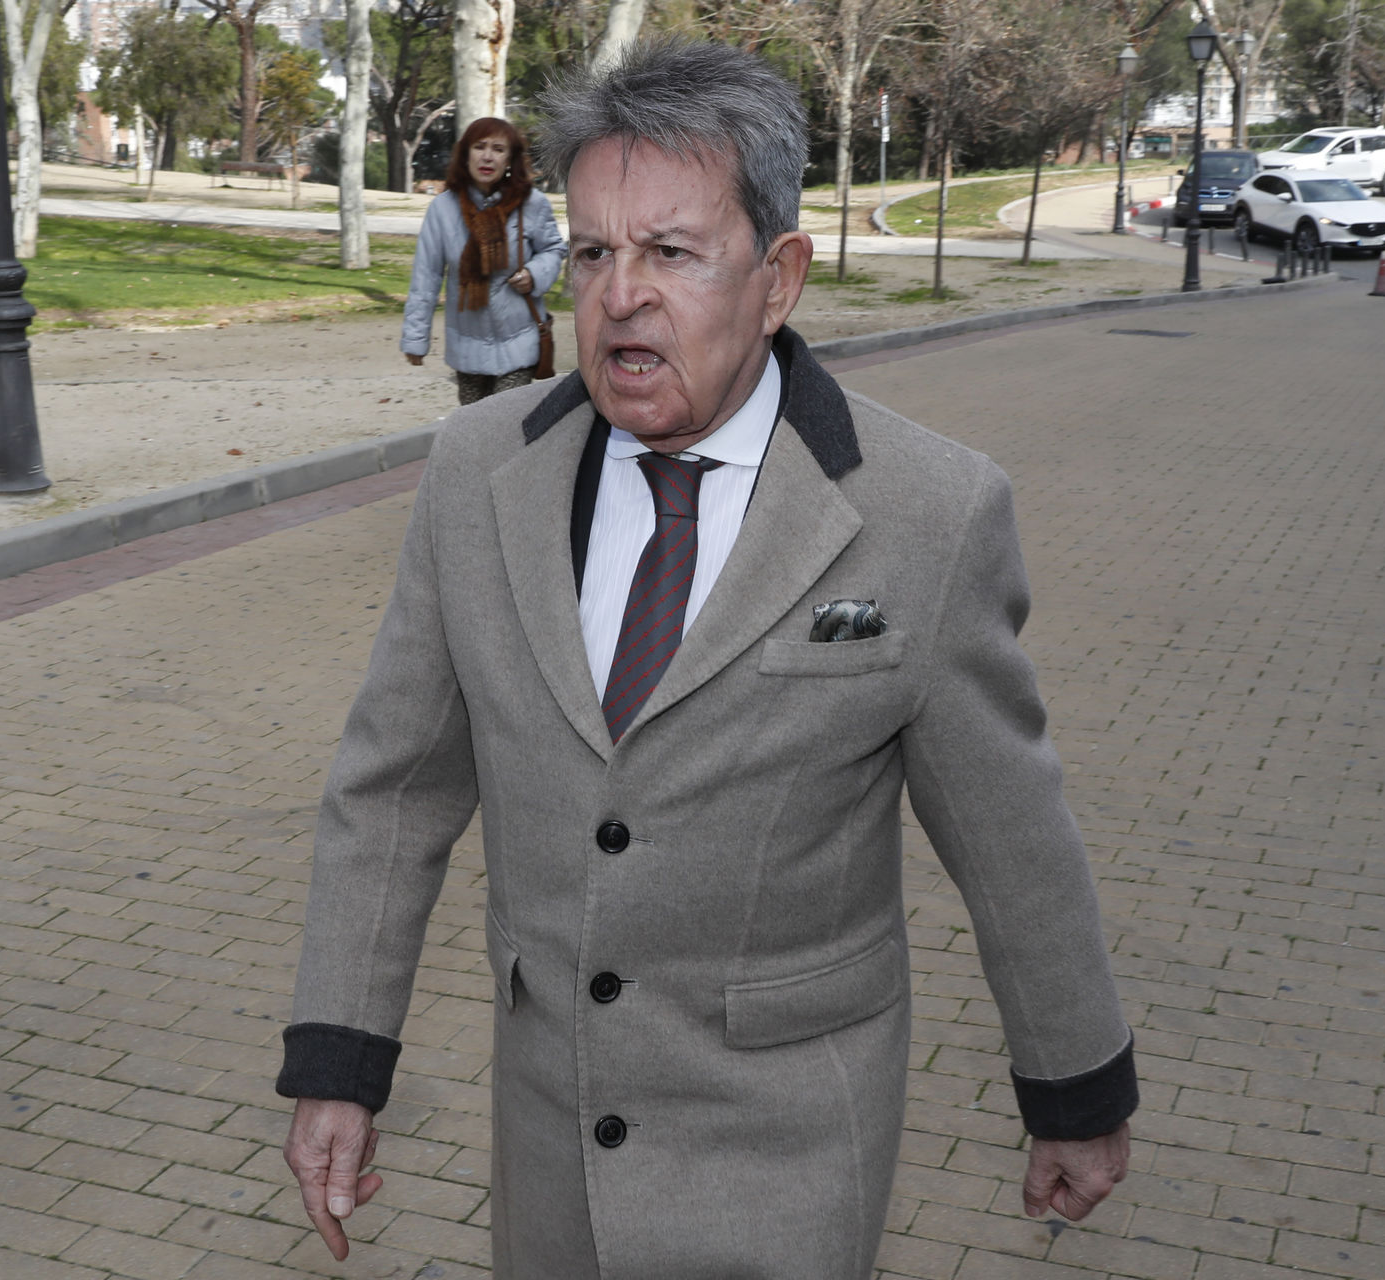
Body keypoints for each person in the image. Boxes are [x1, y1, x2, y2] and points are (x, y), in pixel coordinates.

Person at [277, 39, 1137, 1280]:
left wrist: (1075, 1084)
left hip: (784, 1146)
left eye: (671, 253)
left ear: (778, 278)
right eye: (592, 253)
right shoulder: (477, 476)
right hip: (551, 1144)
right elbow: (393, 787)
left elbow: (1011, 830)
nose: (620, 295)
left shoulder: (926, 511)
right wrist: (340, 1061)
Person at [403, 118, 564, 406]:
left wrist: (535, 274)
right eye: (479, 147)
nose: (488, 156)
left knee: (506, 421)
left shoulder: (533, 203)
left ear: (510, 159)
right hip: (466, 347)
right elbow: (426, 278)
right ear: (465, 154)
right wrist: (415, 339)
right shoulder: (443, 209)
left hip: (519, 342)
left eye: (498, 149)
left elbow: (553, 249)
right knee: (474, 426)